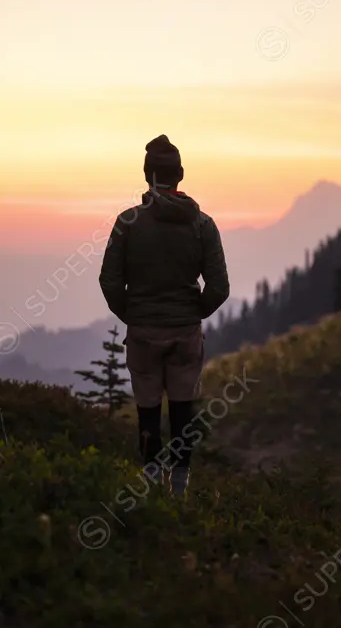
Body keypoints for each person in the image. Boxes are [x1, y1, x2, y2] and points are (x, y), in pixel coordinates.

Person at [98, 134, 230, 496]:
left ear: (146, 175)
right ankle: (181, 490)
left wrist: (133, 315)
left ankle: (150, 486)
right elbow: (219, 287)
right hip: (185, 332)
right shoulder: (203, 225)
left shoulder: (127, 223)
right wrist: (192, 313)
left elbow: (109, 280)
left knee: (148, 412)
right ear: (181, 174)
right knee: (183, 413)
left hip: (143, 332)